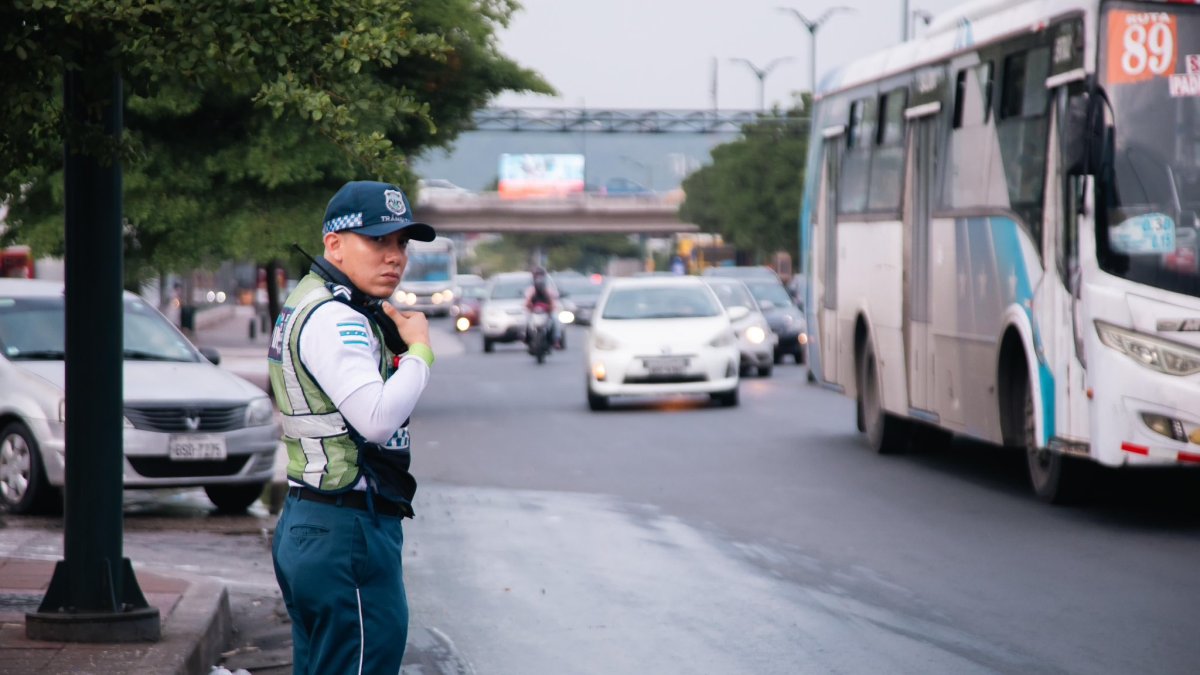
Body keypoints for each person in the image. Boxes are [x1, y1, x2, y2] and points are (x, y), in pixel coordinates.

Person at [268, 180, 436, 674]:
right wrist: (421, 352)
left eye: (401, 243)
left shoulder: (313, 301)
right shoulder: (335, 317)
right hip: (348, 533)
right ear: (334, 244)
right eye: (378, 241)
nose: (394, 256)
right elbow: (377, 420)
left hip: (314, 523)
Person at [524, 266, 562, 349]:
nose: (538, 277)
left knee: (556, 321)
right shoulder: (530, 290)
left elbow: (553, 302)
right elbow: (527, 303)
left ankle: (556, 340)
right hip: (534, 314)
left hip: (547, 313)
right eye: (536, 274)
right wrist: (529, 308)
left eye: (540, 274)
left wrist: (550, 308)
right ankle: (526, 338)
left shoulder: (549, 290)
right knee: (526, 321)